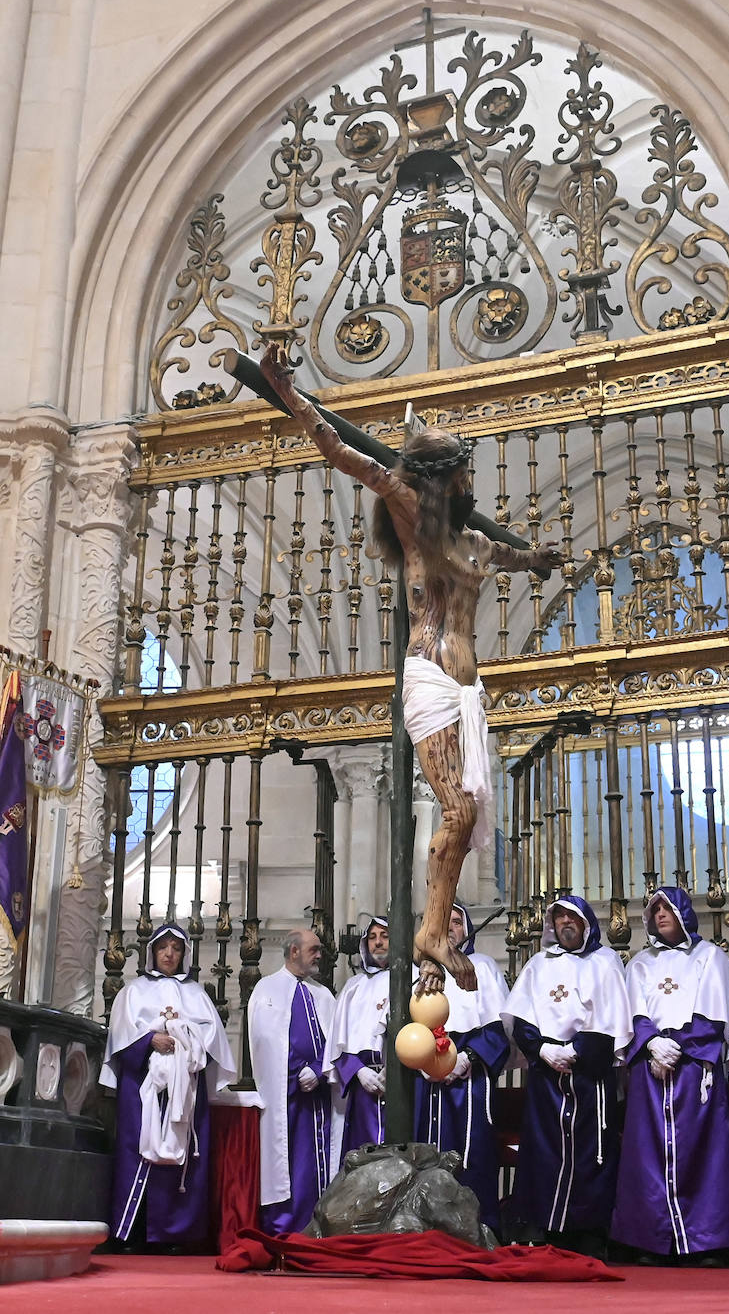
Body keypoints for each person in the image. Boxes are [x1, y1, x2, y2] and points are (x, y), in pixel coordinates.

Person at [259, 343, 562, 994]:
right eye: (459, 475)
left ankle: (431, 936)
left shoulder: (474, 541)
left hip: (466, 687)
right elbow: (343, 455)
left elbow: (509, 558)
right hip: (427, 674)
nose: (465, 485)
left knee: (468, 808)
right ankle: (428, 938)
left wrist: (536, 558)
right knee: (455, 813)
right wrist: (286, 389)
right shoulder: (408, 513)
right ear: (442, 479)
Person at [611, 886, 729, 1265]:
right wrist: (652, 1044)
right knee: (646, 1153)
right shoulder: (639, 963)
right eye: (655, 910)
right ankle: (651, 1241)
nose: (661, 915)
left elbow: (714, 1011)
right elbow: (632, 1012)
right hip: (650, 1071)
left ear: (684, 911)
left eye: (668, 908)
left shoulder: (710, 957)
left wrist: (678, 1045)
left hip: (693, 1069)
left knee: (702, 1151)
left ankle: (705, 1242)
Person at [501, 896, 631, 1251]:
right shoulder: (539, 965)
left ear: (586, 922)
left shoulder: (605, 963)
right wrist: (542, 1049)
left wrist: (576, 1051)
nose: (565, 924)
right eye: (559, 919)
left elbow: (612, 1020)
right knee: (543, 1150)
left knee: (594, 1152)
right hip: (547, 1076)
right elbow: (522, 1020)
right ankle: (545, 1228)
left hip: (590, 1076)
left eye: (572, 917)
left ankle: (587, 1234)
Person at [101, 923, 235, 1250]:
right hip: (143, 1086)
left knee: (184, 1154)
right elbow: (121, 1038)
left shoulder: (197, 994)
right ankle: (133, 1232)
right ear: (153, 952)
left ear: (184, 954)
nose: (169, 954)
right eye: (164, 947)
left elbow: (213, 1040)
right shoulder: (133, 992)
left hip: (186, 1088)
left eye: (176, 948)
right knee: (137, 1150)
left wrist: (183, 1037)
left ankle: (179, 1234)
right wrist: (150, 1039)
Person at [414, 903, 511, 1231]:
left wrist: (467, 1058)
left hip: (469, 1078)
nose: (451, 928)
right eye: (444, 922)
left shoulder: (481, 967)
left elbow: (498, 1029)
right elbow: (403, 1029)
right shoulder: (420, 974)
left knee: (473, 1154)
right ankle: (424, 1226)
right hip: (425, 1080)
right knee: (424, 1152)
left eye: (457, 922)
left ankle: (476, 1227)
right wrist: (423, 1060)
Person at [248, 927, 341, 1234]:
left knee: (318, 1162)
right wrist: (293, 1070)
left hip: (320, 1096)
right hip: (286, 1098)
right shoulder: (266, 990)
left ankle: (320, 1225)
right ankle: (285, 1228)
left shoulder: (324, 994)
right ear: (294, 952)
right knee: (289, 1164)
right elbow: (263, 1043)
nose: (319, 955)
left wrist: (317, 1069)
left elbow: (336, 1041)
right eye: (314, 949)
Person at [322, 916, 398, 1153]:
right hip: (362, 1088)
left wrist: (395, 1068)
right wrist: (359, 1071)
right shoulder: (353, 987)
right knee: (363, 1156)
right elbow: (337, 1045)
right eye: (373, 937)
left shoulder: (413, 980)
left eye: (385, 936)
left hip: (401, 1085)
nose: (378, 943)